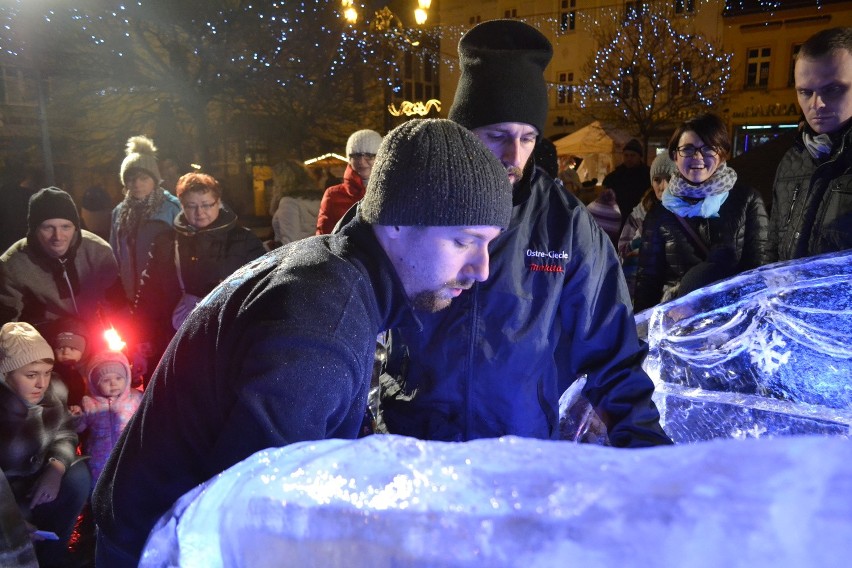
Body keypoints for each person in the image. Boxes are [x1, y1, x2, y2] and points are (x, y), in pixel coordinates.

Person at [92, 118, 514, 566]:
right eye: (464, 241)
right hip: (159, 546)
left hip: (154, 526)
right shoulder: (324, 316)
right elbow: (256, 520)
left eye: (488, 244)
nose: (481, 268)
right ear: (396, 221)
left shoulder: (333, 272)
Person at [375, 20, 671, 447]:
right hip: (413, 450)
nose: (514, 155)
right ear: (463, 130)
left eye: (528, 138)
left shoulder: (565, 226)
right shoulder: (409, 200)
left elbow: (614, 353)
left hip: (519, 456)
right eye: (497, 136)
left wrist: (648, 451)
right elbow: (346, 312)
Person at [633, 113, 768, 312]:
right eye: (688, 149)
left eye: (707, 148)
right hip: (680, 326)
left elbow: (759, 271)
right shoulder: (660, 213)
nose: (697, 157)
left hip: (731, 324)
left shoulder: (746, 200)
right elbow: (648, 282)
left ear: (722, 153)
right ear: (674, 155)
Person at [133, 172, 266, 366]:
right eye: (191, 206)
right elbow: (149, 292)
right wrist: (141, 335)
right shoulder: (166, 242)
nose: (200, 212)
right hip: (175, 336)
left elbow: (263, 286)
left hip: (227, 337)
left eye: (206, 205)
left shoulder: (243, 240)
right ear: (182, 205)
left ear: (218, 202)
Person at [0, 322, 90, 568]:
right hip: (6, 491)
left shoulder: (53, 390)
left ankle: (53, 557)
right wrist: (9, 518)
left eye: (47, 372)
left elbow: (64, 432)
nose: (42, 383)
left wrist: (56, 467)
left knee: (78, 478)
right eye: (31, 375)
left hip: (39, 477)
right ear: (5, 374)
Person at [767, 27, 852, 262]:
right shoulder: (792, 160)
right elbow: (772, 247)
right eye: (805, 92)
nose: (817, 104)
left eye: (832, 89)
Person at [0, 187, 127, 334]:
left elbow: (116, 303)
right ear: (34, 229)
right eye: (48, 228)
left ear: (75, 227)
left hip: (94, 332)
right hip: (44, 338)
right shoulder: (13, 263)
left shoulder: (97, 251)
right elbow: (7, 323)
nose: (58, 236)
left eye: (65, 227)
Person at [110, 135, 181, 300]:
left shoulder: (172, 208)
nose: (137, 184)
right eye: (131, 179)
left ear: (155, 180)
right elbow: (114, 256)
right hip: (130, 293)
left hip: (164, 294)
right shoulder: (119, 212)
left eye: (144, 178)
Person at [69, 350, 141, 488]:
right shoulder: (89, 403)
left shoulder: (136, 398)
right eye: (106, 380)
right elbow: (80, 427)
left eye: (118, 378)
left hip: (130, 455)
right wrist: (76, 418)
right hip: (99, 459)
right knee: (101, 487)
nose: (113, 384)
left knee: (131, 484)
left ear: (127, 378)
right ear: (94, 383)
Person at [618, 153, 678, 301]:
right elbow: (622, 251)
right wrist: (641, 243)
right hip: (637, 290)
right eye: (657, 180)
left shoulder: (686, 213)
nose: (662, 186)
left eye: (668, 179)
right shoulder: (639, 213)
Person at [315, 129, 383, 234]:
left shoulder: (392, 192)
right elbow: (323, 238)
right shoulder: (334, 195)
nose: (361, 161)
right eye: (356, 155)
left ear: (380, 158)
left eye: (369, 155)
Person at [270, 160, 324, 246]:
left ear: (282, 181)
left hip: (295, 255)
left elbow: (289, 241)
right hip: (315, 250)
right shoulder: (317, 199)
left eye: (274, 181)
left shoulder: (289, 202)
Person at [603, 138, 651, 231]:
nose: (629, 159)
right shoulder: (615, 176)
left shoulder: (648, 175)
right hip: (620, 220)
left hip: (642, 220)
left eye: (632, 155)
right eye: (626, 155)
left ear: (639, 156)